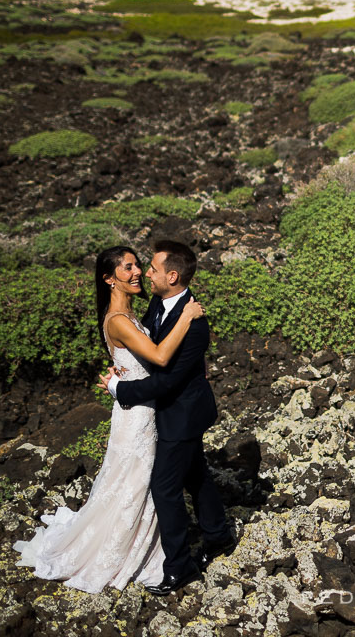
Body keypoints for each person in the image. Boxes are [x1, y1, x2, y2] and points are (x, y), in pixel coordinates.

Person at [13, 244, 208, 594]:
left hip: (147, 413)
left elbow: (149, 351)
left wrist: (121, 381)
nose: (138, 273)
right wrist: (187, 315)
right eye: (129, 268)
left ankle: (166, 542)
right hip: (136, 418)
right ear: (109, 279)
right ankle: (127, 551)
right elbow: (161, 356)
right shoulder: (118, 320)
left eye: (140, 266)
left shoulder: (134, 312)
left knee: (138, 484)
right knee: (134, 485)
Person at [100, 240, 236, 595]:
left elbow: (167, 377)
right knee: (196, 475)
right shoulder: (157, 303)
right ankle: (218, 534)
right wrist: (124, 367)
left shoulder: (194, 323)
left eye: (154, 269)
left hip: (181, 414)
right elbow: (144, 346)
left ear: (172, 276)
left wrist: (122, 391)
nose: (147, 274)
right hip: (166, 411)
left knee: (164, 488)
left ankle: (179, 566)